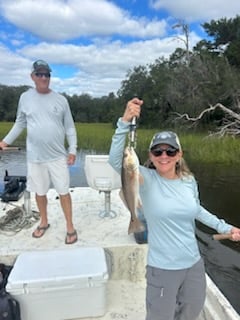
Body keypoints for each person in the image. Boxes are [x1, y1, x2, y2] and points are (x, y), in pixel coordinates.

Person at [108, 97, 240, 320]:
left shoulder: (189, 181)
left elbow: (197, 210)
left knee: (191, 311)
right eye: (157, 152)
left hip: (193, 265)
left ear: (179, 155)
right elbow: (115, 161)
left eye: (170, 151)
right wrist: (124, 121)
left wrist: (226, 227)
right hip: (162, 269)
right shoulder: (144, 179)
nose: (164, 156)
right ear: (150, 156)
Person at [0, 59, 78, 245]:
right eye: (40, 74)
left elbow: (70, 128)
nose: (44, 78)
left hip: (58, 156)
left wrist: (72, 149)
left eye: (47, 74)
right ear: (33, 77)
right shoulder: (25, 98)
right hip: (35, 157)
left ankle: (70, 227)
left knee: (64, 191)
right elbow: (20, 123)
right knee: (39, 192)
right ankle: (44, 222)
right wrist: (4, 142)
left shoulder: (61, 100)